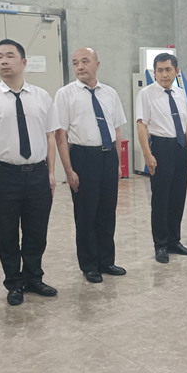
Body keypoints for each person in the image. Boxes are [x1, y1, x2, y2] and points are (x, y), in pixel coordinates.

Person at [0, 39, 60, 306]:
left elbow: (51, 136)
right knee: (7, 231)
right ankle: (14, 283)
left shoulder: (42, 97)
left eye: (9, 56)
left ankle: (33, 277)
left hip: (38, 173)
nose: (3, 61)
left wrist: (51, 172)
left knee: (37, 230)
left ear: (23, 62)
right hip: (5, 174)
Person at [55, 48, 127, 283]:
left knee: (107, 212)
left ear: (97, 64)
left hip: (108, 157)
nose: (80, 66)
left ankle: (106, 260)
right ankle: (89, 264)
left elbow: (116, 130)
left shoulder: (110, 93)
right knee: (86, 215)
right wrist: (69, 170)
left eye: (85, 61)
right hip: (83, 157)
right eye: (75, 62)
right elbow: (60, 135)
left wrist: (118, 164)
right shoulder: (65, 94)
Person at [136, 53, 187, 263]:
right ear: (154, 73)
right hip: (161, 147)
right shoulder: (146, 94)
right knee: (161, 199)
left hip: (181, 147)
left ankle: (174, 241)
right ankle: (160, 245)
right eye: (159, 70)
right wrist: (147, 154)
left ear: (176, 72)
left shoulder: (180, 93)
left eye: (168, 70)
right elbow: (141, 125)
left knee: (178, 197)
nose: (163, 75)